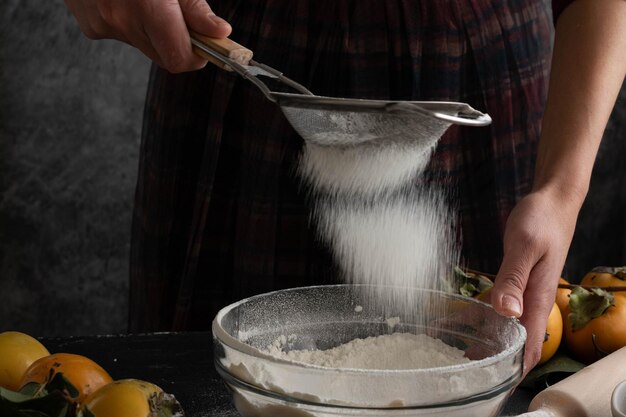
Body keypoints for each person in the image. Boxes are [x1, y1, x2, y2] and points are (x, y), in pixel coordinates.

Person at [64, 0, 626, 373]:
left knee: (467, 370)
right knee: (209, 380)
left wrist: (559, 190)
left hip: (474, 70)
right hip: (235, 73)